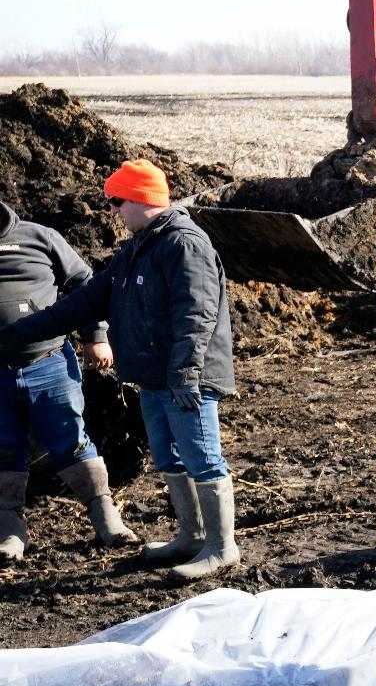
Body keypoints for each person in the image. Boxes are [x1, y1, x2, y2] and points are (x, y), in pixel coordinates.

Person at [0, 158, 241, 581]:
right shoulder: (137, 249)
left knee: (203, 457)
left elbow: (197, 314)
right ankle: (191, 535)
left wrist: (186, 374)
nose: (111, 211)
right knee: (168, 456)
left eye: (116, 201)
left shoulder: (183, 245)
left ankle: (222, 548)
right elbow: (83, 301)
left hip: (187, 378)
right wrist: (15, 335)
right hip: (154, 377)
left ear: (141, 199)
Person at [0, 197, 135, 560]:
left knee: (71, 439)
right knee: (4, 448)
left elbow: (85, 285)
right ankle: (10, 529)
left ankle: (106, 517)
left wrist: (97, 337)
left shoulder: (39, 238)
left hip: (48, 362)